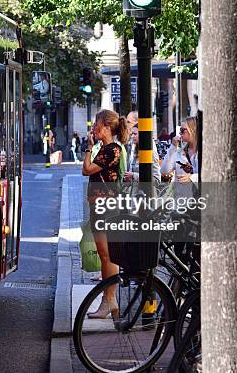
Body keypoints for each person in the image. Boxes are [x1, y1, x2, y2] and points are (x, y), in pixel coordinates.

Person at [82, 110, 129, 319]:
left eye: (97, 125)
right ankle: (109, 301)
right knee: (104, 254)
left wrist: (89, 148)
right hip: (100, 205)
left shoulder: (112, 150)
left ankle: (108, 300)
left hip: (106, 205)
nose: (94, 129)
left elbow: (87, 169)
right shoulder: (107, 148)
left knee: (107, 254)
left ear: (107, 127)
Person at [161, 116, 199, 183]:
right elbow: (164, 171)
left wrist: (192, 178)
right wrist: (172, 147)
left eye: (182, 130)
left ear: (192, 130)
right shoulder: (179, 152)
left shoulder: (205, 152)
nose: (180, 133)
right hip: (181, 192)